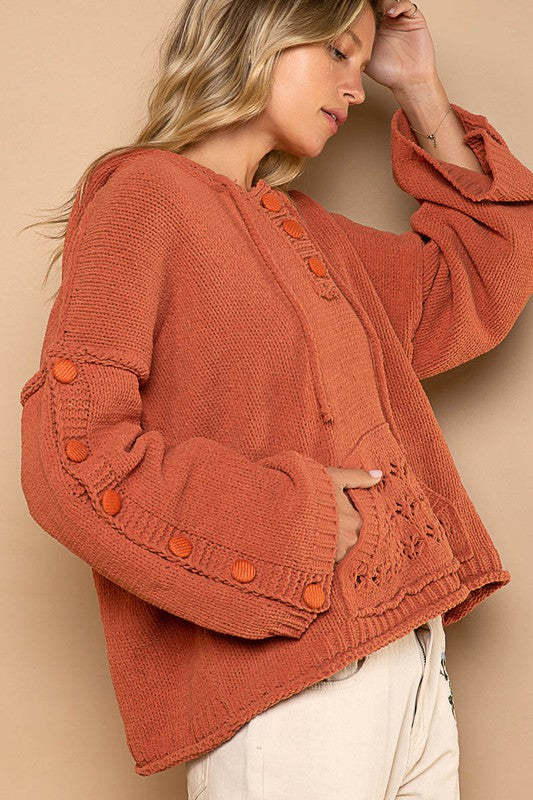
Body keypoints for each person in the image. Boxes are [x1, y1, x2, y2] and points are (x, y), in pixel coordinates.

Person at [19, 0, 532, 797]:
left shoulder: (310, 233)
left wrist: (418, 86)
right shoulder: (144, 194)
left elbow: (480, 276)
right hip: (291, 683)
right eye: (336, 52)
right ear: (260, 35)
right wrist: (294, 522)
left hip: (412, 661)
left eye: (362, 63)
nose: (355, 88)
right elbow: (74, 461)